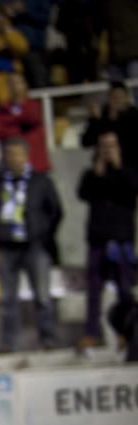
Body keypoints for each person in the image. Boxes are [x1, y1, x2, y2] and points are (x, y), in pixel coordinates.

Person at [0, 138, 63, 351]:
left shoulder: (40, 181)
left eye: (18, 154)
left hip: (35, 245)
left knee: (42, 296)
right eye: (9, 154)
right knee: (7, 299)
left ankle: (48, 338)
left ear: (26, 156)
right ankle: (8, 343)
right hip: (5, 247)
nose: (13, 158)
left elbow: (55, 211)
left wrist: (43, 235)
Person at [76, 131, 138, 347]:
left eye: (112, 145)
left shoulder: (128, 172)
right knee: (94, 290)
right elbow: (83, 194)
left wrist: (119, 166)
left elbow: (132, 191)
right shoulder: (92, 174)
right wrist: (98, 171)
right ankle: (91, 334)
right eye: (103, 145)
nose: (107, 149)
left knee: (124, 290)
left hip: (121, 240)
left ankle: (127, 332)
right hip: (97, 241)